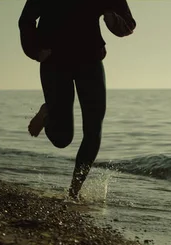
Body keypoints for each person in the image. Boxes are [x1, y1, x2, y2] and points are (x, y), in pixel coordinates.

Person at [19, 0, 136, 200]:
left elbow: (128, 25)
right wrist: (35, 50)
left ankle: (74, 191)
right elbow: (26, 20)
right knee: (62, 139)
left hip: (90, 60)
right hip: (54, 61)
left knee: (94, 129)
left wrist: (111, 17)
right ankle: (48, 113)